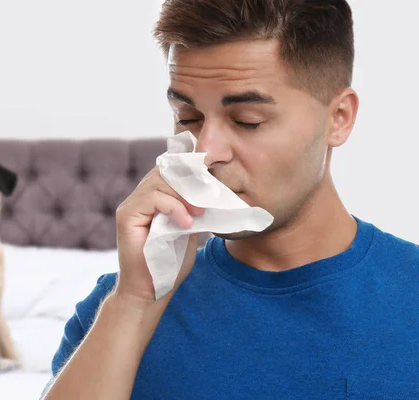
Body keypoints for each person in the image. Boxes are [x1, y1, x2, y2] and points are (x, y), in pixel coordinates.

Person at [41, 0, 419, 399]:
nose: (206, 151)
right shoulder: (117, 309)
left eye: (246, 121)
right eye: (188, 117)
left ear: (338, 117)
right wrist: (134, 304)